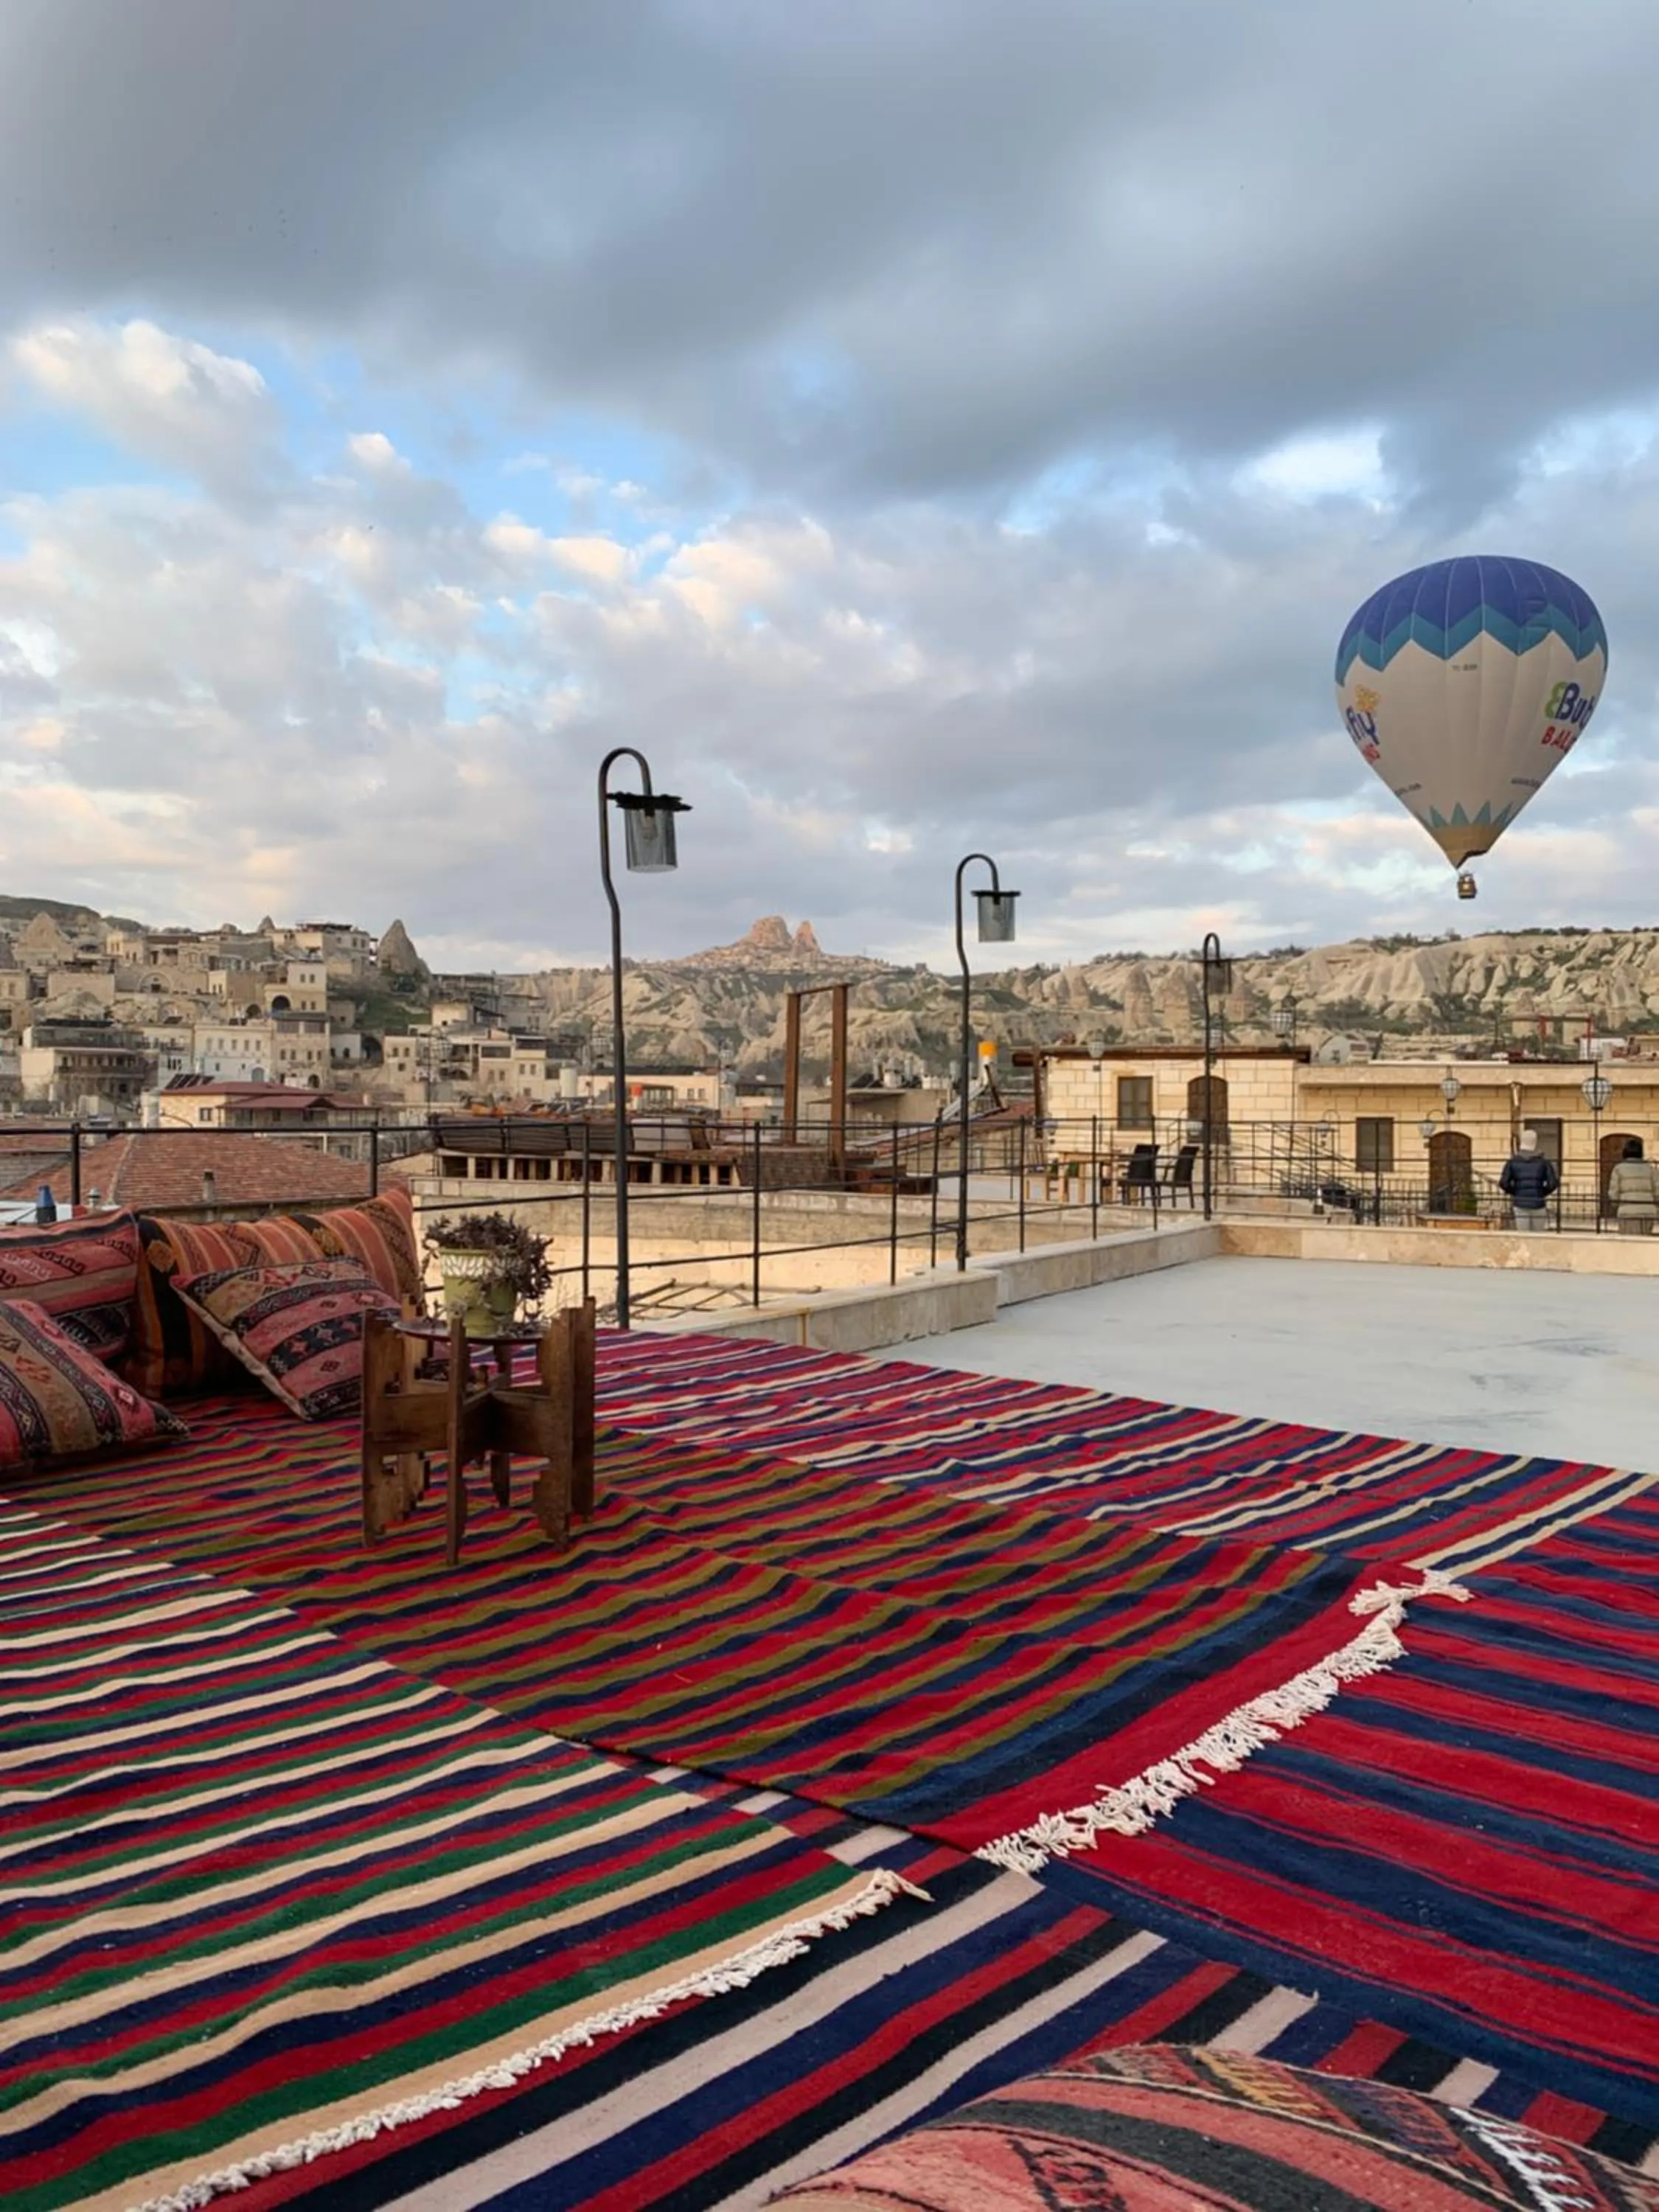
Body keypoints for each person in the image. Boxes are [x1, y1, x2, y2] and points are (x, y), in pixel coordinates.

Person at [1498, 1129, 1558, 1230]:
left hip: (1520, 1203)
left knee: (1523, 1236)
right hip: (1538, 1203)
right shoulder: (1544, 1162)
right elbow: (1552, 1183)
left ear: (1522, 1142)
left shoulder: (1512, 1162)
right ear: (1535, 1142)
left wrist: (1515, 1192)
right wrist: (1541, 1192)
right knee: (1538, 1237)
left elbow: (1504, 1183)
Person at [1606, 1135, 1659, 1235]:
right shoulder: (1651, 1169)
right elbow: (1657, 1192)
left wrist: (1617, 1204)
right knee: (1645, 1243)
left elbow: (1614, 1193)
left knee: (1629, 1245)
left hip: (1627, 1212)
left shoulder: (1618, 1169)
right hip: (1648, 1212)